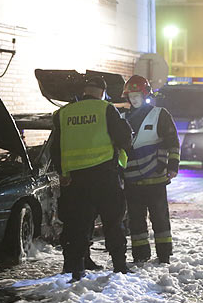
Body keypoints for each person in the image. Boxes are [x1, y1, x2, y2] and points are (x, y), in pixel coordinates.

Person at [50, 76, 133, 281]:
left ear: (85, 91)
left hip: (76, 181)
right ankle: (119, 267)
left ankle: (75, 268)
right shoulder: (106, 109)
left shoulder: (63, 113)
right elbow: (125, 139)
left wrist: (63, 173)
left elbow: (55, 148)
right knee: (112, 223)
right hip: (104, 176)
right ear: (102, 92)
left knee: (77, 225)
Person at [121, 75, 180, 264]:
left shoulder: (159, 114)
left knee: (160, 219)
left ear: (146, 95)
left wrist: (173, 166)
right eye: (131, 95)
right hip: (132, 181)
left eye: (137, 95)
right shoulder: (122, 118)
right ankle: (140, 255)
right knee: (136, 220)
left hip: (155, 177)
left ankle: (164, 254)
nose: (134, 99)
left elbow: (173, 142)